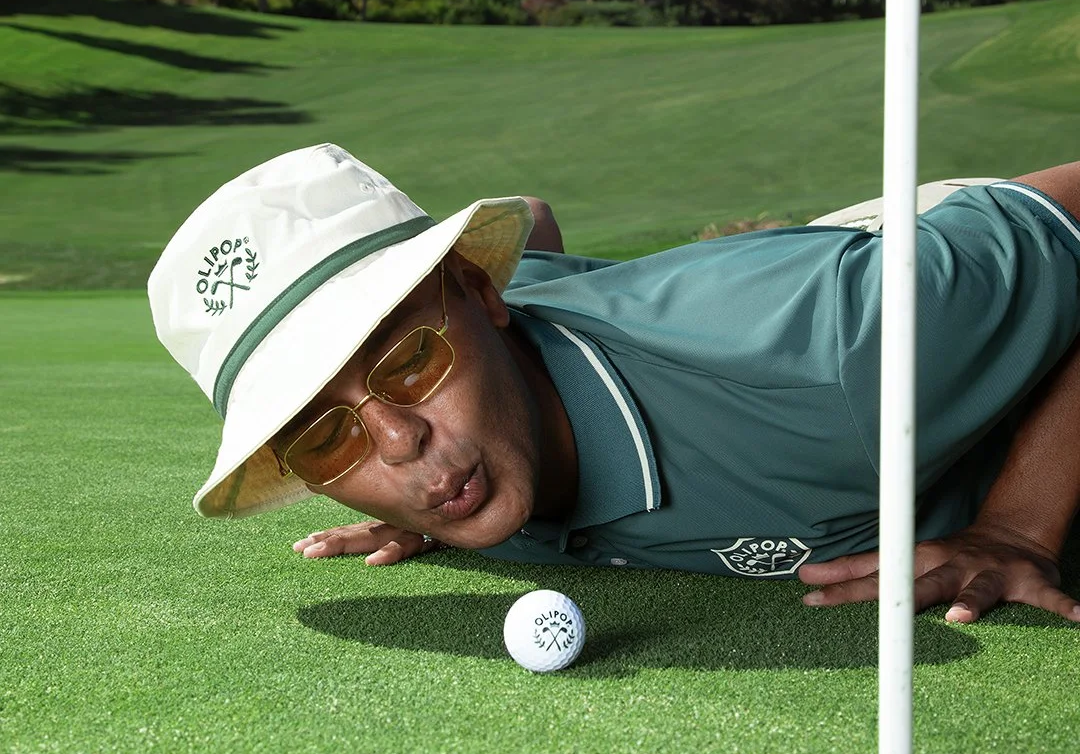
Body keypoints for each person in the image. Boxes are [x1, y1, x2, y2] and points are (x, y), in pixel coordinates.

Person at [148, 144, 1080, 626]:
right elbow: (537, 224)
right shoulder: (450, 469)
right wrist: (421, 498)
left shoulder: (841, 346)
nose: (398, 446)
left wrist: (1017, 524)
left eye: (409, 363)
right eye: (328, 438)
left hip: (906, 267)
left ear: (481, 292)